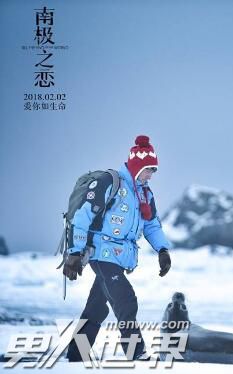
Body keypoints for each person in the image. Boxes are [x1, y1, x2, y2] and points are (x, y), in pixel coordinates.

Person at [63, 135, 172, 361]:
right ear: (137, 166)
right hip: (101, 253)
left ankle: (75, 355)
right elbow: (83, 217)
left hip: (120, 258)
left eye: (154, 170)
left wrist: (162, 250)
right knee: (125, 299)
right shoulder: (110, 182)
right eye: (149, 169)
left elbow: (151, 224)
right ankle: (137, 352)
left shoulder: (145, 194)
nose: (152, 174)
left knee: (97, 308)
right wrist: (74, 252)